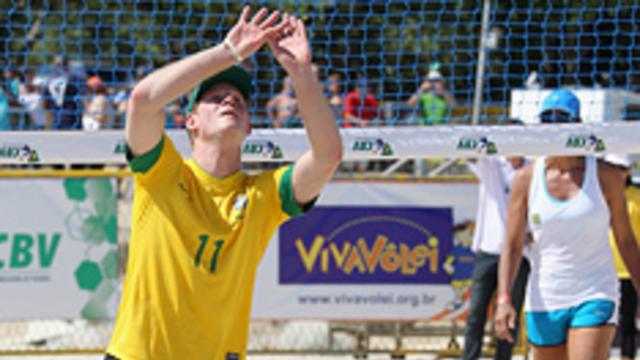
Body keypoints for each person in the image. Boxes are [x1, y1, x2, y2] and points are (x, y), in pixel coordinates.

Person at [105, 7, 342, 360]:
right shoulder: (163, 173)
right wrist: (227, 53)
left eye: (239, 100)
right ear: (190, 122)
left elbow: (328, 156)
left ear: (249, 128)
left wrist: (302, 73)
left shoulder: (262, 194)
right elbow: (142, 101)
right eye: (215, 98)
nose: (230, 99)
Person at [495, 89, 640, 360]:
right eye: (547, 120)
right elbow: (513, 246)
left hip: (595, 291)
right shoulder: (526, 179)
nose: (553, 126)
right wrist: (504, 299)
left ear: (577, 124)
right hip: (545, 296)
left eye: (561, 119)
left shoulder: (606, 175)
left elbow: (626, 240)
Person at [462, 137, 530, 360]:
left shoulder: (533, 169)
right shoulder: (492, 164)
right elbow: (470, 151)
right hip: (489, 250)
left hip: (519, 253)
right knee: (476, 315)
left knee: (510, 317)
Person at [606, 154, 640, 360]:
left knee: (627, 322)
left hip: (628, 269)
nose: (617, 172)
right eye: (614, 167)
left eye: (621, 168)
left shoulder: (636, 197)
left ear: (627, 171)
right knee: (603, 321)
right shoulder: (599, 194)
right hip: (603, 268)